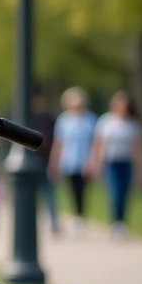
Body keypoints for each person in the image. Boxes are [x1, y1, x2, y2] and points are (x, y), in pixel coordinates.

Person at [89, 89, 142, 239]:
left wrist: (141, 167)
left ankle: (121, 222)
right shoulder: (106, 121)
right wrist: (95, 163)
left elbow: (137, 148)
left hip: (126, 162)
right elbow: (98, 144)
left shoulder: (132, 124)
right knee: (115, 193)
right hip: (111, 162)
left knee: (125, 193)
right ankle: (115, 222)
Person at [51, 87, 97, 234]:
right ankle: (76, 216)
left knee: (82, 191)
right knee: (72, 190)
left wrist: (92, 161)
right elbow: (58, 143)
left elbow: (94, 143)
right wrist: (55, 162)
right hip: (69, 160)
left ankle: (80, 216)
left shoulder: (90, 119)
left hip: (84, 161)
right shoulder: (63, 120)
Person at [31, 89, 59, 234]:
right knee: (32, 197)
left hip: (46, 161)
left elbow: (56, 142)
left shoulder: (50, 119)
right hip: (32, 162)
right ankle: (34, 225)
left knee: (49, 195)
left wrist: (54, 163)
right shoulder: (30, 118)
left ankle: (54, 224)